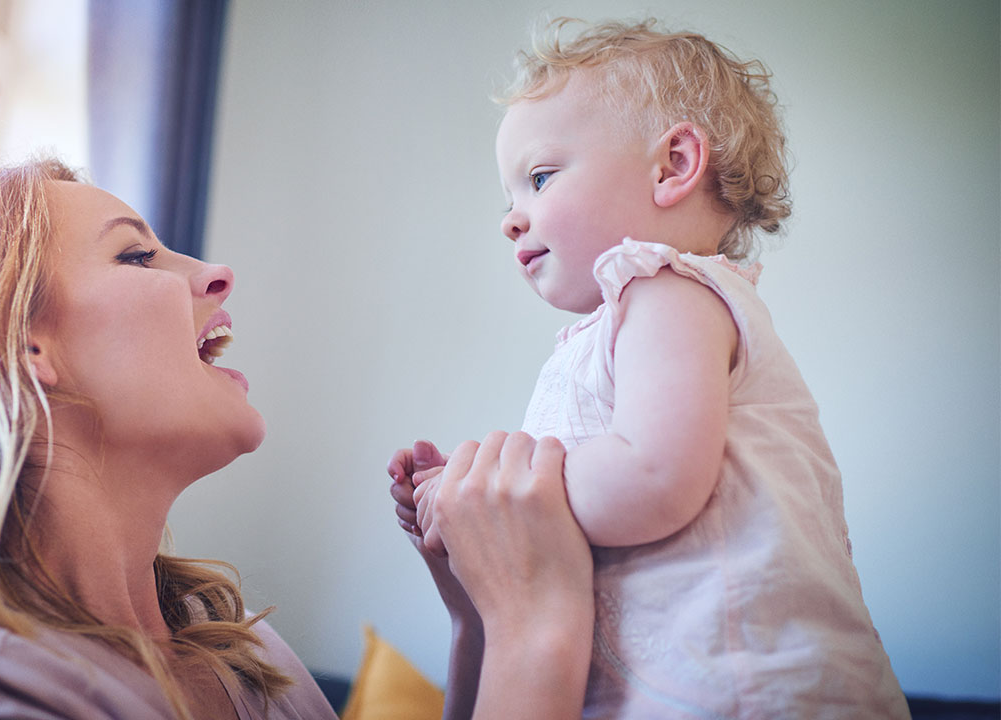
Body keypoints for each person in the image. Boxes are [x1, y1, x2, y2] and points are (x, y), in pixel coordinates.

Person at [0, 158, 594, 719]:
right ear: (17, 345)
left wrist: (477, 623)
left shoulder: (243, 648)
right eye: (138, 258)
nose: (215, 273)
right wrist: (537, 628)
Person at [389, 18, 910, 719]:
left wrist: (506, 489)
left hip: (746, 690)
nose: (512, 219)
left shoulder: (670, 292)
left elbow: (654, 478)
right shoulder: (629, 319)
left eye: (539, 178)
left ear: (673, 165)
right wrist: (474, 503)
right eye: (509, 199)